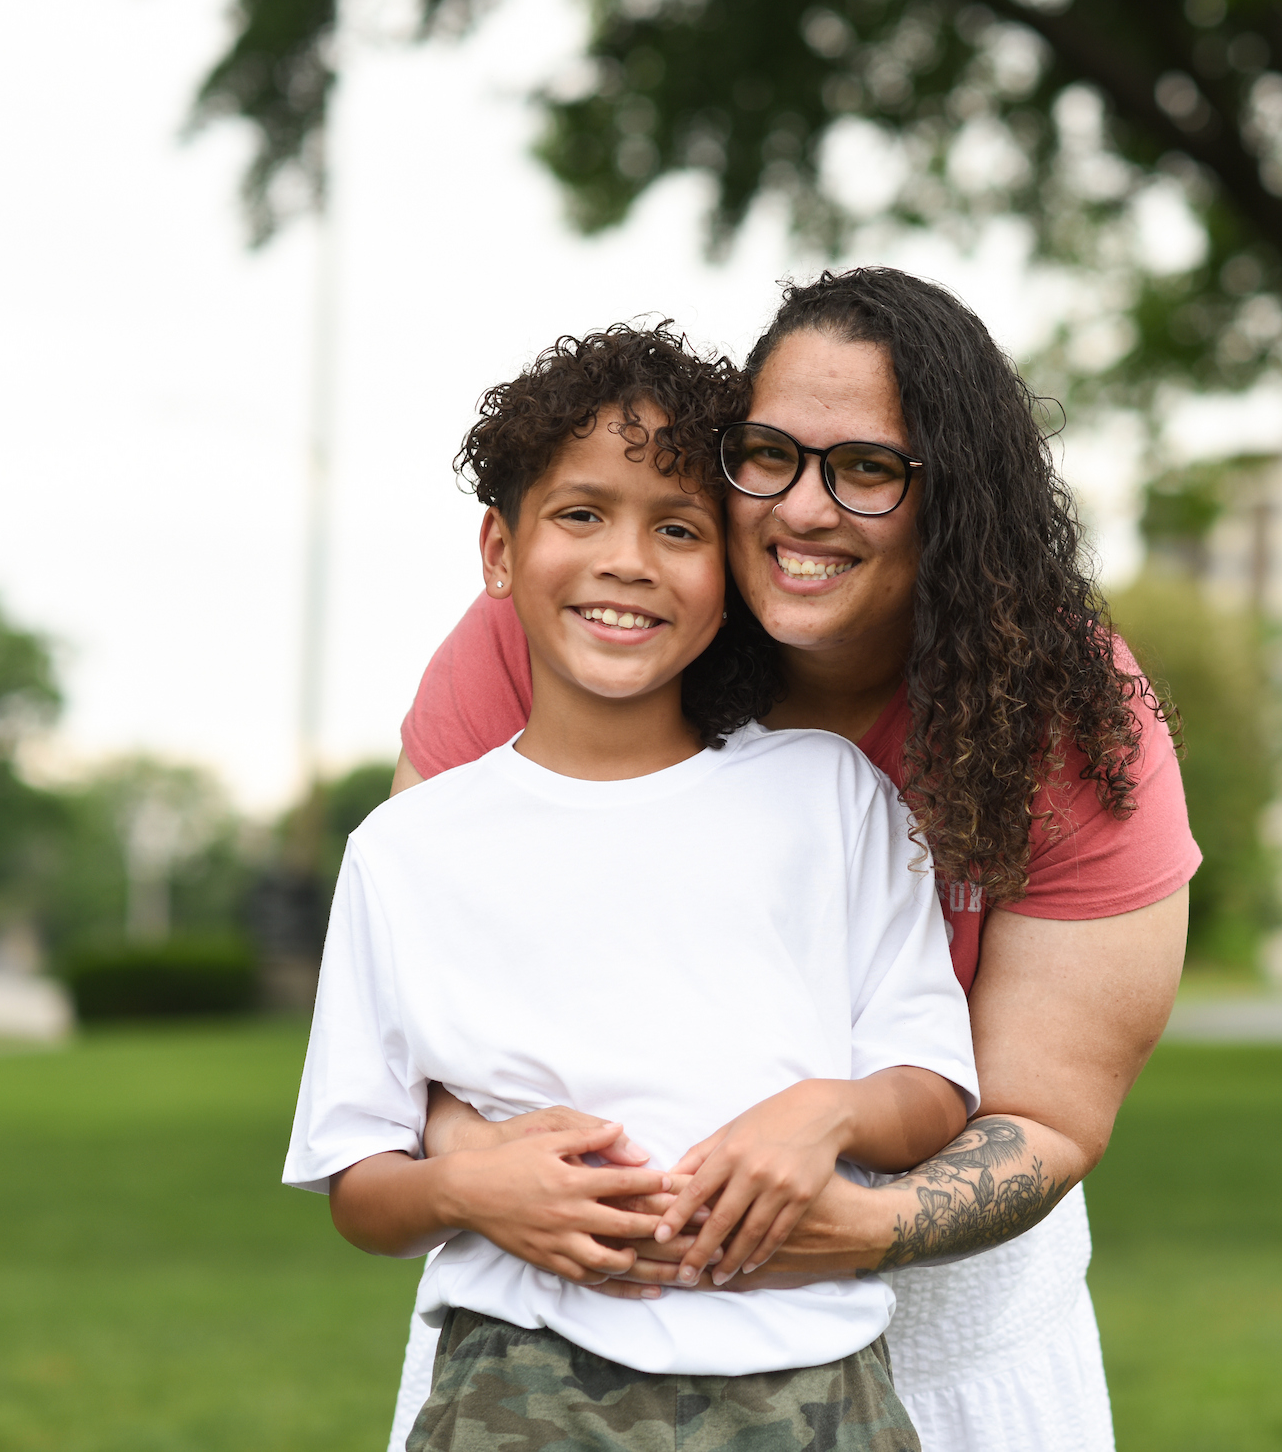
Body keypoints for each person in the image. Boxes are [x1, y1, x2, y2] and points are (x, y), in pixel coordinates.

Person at [387, 269, 1200, 1452]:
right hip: (546, 1330)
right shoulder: (572, 632)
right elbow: (410, 986)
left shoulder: (1067, 714)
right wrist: (482, 1165)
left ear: (956, 500)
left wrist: (850, 1228)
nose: (803, 509)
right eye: (768, 455)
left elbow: (1047, 1114)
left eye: (867, 469)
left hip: (943, 1338)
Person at [286, 326, 978, 1452]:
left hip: (811, 1384)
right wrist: (470, 1191)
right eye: (581, 514)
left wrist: (829, 1111)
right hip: (521, 1388)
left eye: (679, 529)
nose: (628, 561)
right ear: (499, 551)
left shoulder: (829, 796)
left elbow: (933, 1087)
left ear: (732, 574)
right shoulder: (405, 851)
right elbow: (360, 1183)